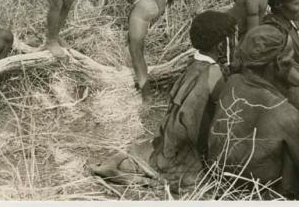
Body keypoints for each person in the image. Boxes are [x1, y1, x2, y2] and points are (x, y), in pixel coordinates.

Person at [90, 11, 237, 190]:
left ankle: (125, 166)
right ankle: (133, 176)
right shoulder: (215, 74)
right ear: (222, 46)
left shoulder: (194, 64)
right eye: (233, 39)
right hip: (186, 148)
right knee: (200, 181)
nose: (236, 43)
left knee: (144, 151)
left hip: (170, 136)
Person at [208, 25, 299, 200]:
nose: (293, 66)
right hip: (271, 194)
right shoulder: (283, 114)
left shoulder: (232, 82)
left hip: (226, 184)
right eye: (290, 61)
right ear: (276, 63)